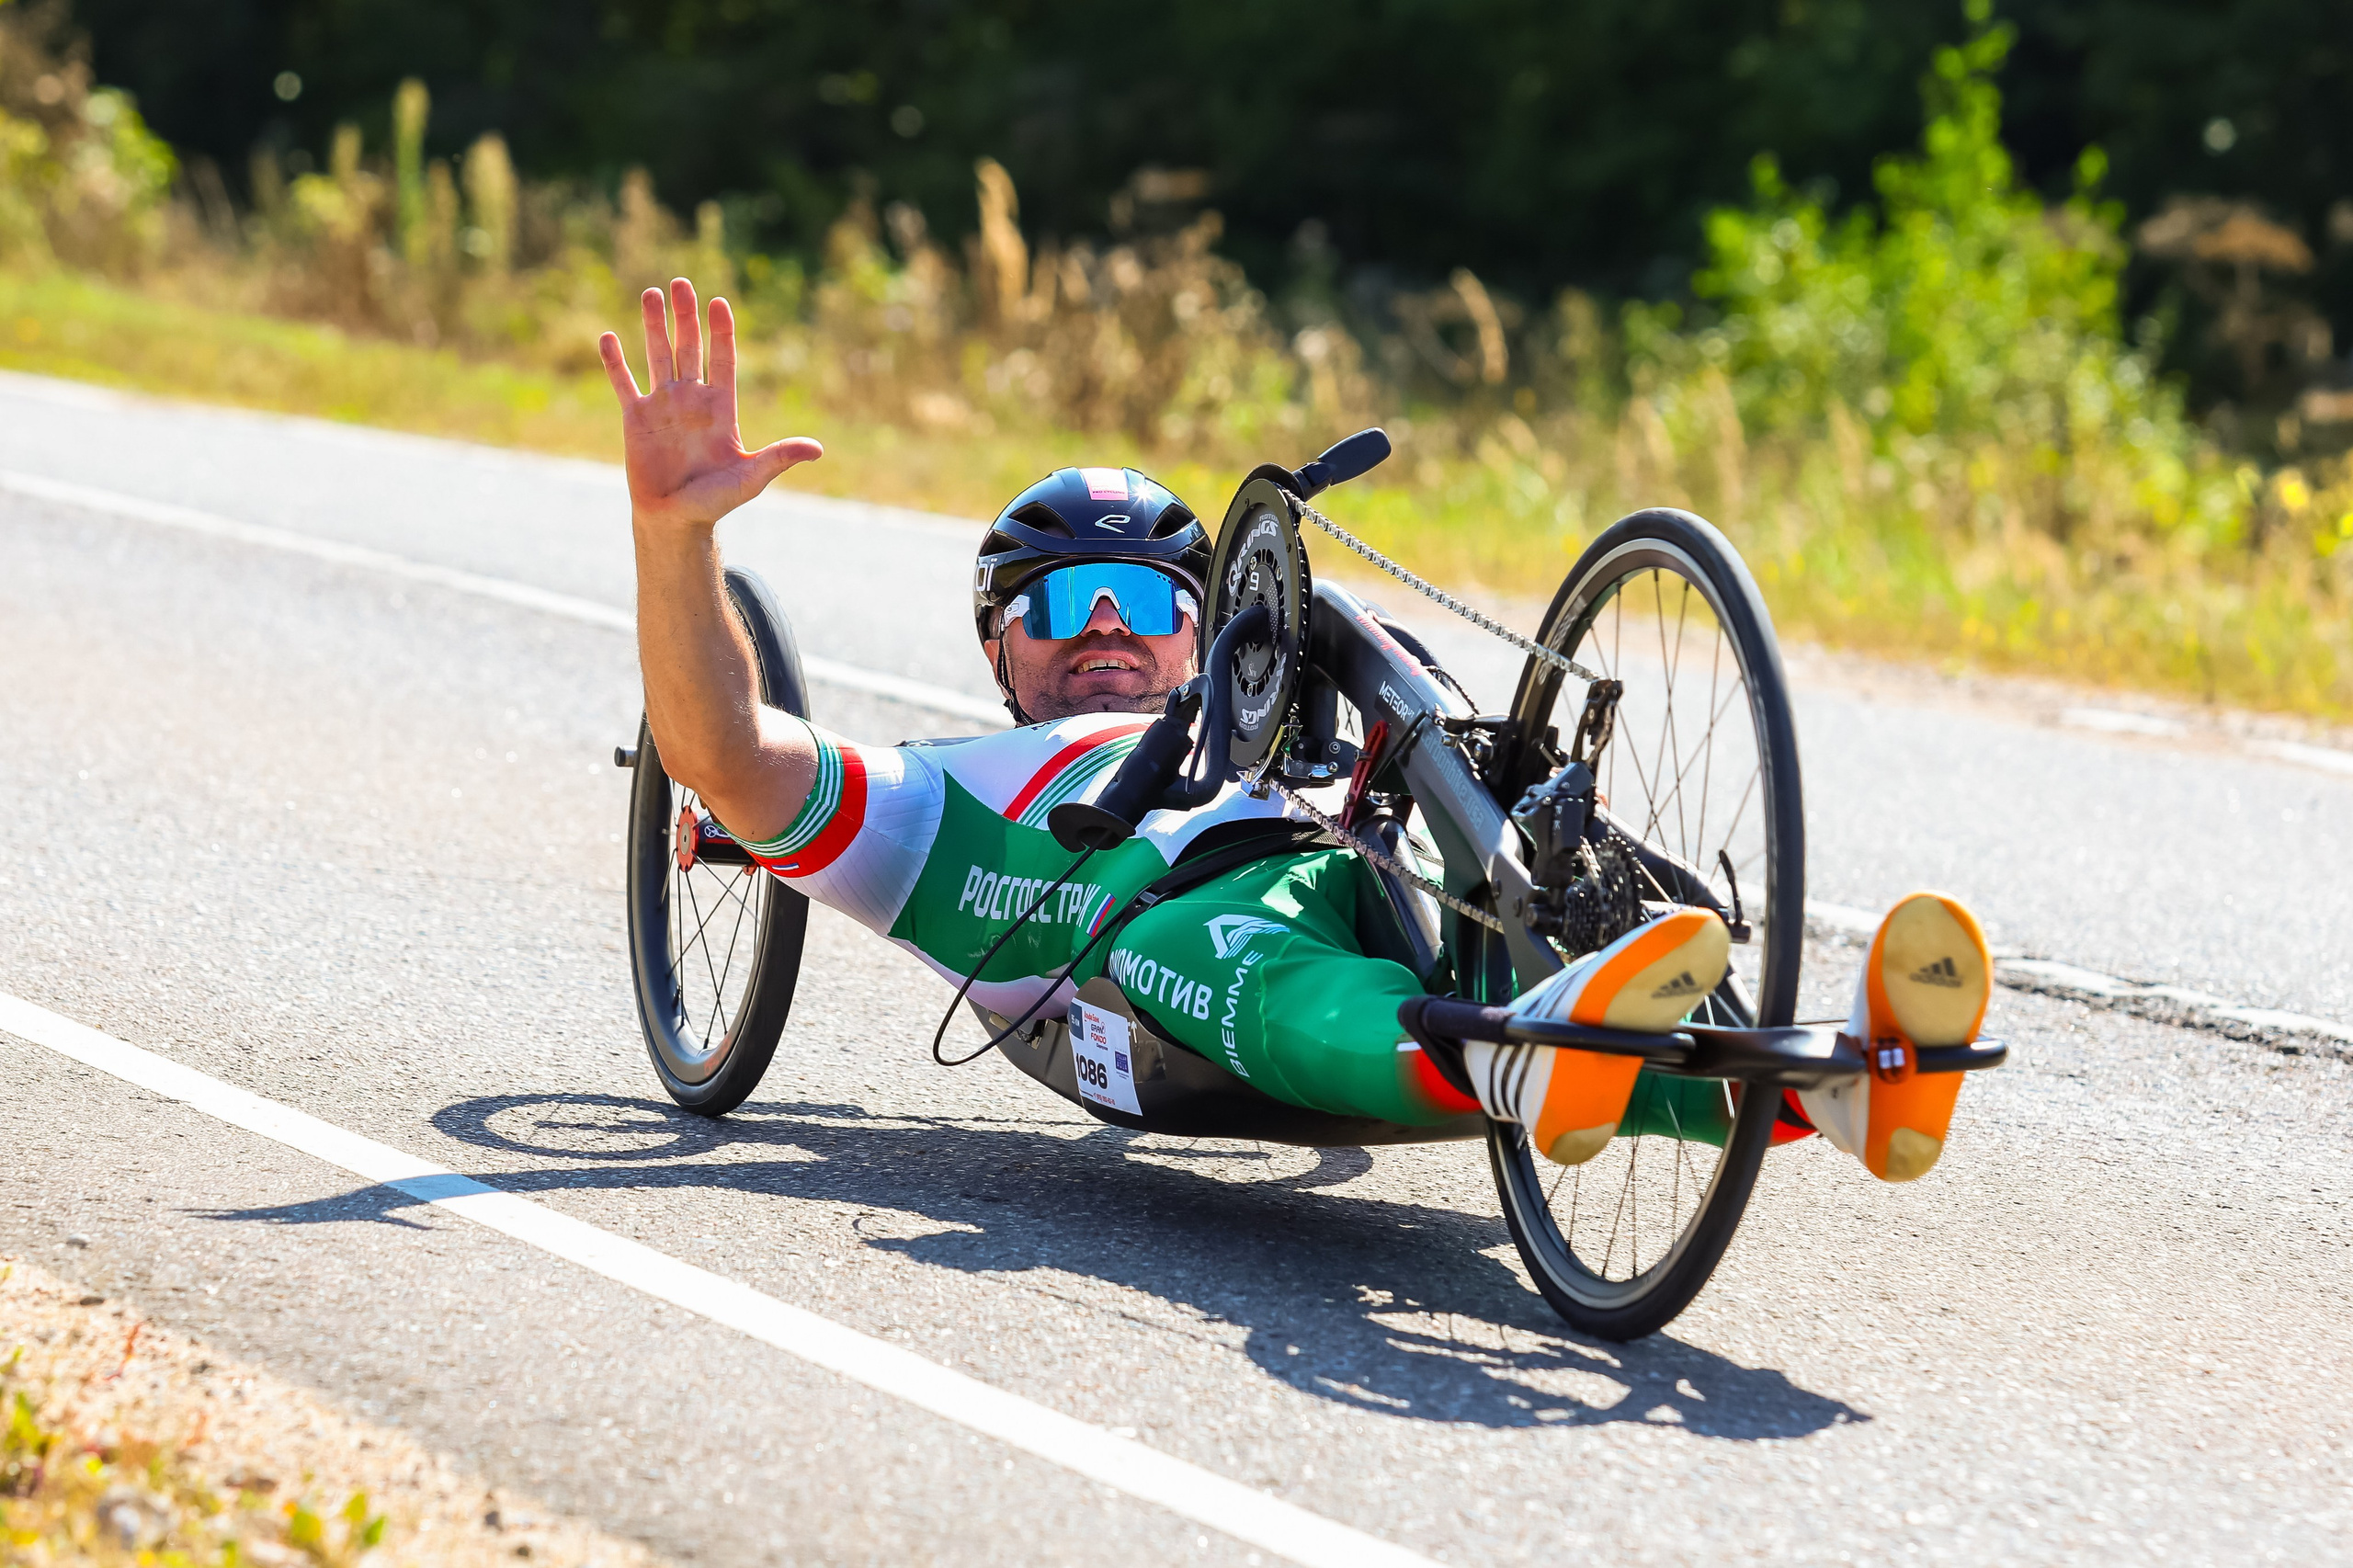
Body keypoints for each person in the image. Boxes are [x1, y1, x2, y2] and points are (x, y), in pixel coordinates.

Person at [601, 278, 1992, 1182]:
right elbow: (723, 752)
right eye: (1066, 599)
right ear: (997, 648)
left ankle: (1838, 1083)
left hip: (1374, 866)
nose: (1108, 627)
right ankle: (1513, 1048)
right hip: (1163, 956)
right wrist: (677, 540)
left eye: (1151, 597)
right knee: (1202, 943)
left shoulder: (1296, 731)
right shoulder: (941, 804)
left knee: (1515, 868)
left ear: (1211, 631)